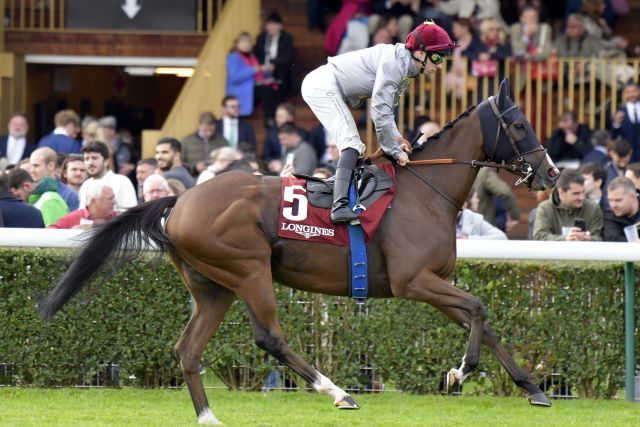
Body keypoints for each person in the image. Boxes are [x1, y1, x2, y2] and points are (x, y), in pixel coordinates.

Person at [302, 20, 458, 223]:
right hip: (322, 85)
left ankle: (346, 200)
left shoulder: (403, 64)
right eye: (437, 57)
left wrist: (395, 139)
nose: (439, 65)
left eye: (444, 58)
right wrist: (393, 149)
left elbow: (388, 111)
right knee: (352, 144)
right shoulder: (395, 64)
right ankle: (339, 207)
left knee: (355, 146)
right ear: (420, 52)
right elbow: (380, 111)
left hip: (327, 85)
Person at [533, 169, 603, 241]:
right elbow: (539, 236)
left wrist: (589, 239)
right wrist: (565, 239)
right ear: (561, 193)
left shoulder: (593, 209)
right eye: (576, 193)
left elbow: (600, 238)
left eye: (583, 192)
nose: (581, 197)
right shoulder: (545, 209)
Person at [254, 12, 297, 127]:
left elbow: (288, 56)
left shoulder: (287, 38)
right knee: (266, 92)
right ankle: (270, 119)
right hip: (263, 74)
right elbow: (256, 55)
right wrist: (263, 67)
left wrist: (274, 64)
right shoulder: (261, 38)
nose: (272, 27)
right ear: (266, 26)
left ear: (280, 26)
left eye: (275, 24)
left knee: (279, 81)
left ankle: (278, 119)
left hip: (281, 72)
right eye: (270, 24)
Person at [79, 141, 137, 212]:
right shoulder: (85, 185)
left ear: (106, 161)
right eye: (87, 159)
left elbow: (130, 215)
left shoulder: (122, 182)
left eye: (94, 158)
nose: (90, 163)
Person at [225, 32, 265, 118]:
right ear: (236, 43)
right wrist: (255, 69)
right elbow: (234, 77)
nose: (246, 44)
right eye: (243, 41)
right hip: (239, 95)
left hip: (250, 93)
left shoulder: (252, 57)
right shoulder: (233, 57)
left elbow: (258, 75)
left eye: (249, 41)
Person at [49, 180, 117, 229]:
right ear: (94, 201)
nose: (114, 202)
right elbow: (48, 233)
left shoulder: (118, 218)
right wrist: (70, 233)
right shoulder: (73, 218)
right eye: (110, 199)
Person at [263, 103, 310, 171]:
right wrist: (271, 163)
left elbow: (305, 157)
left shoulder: (302, 135)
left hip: (296, 171)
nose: (277, 119)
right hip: (274, 173)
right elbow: (266, 157)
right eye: (277, 116)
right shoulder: (271, 134)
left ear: (290, 118)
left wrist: (283, 165)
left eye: (281, 117)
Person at [29, 147, 79, 211]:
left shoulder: (69, 196)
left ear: (51, 165)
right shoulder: (27, 190)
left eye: (36, 166)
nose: (31, 170)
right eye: (31, 166)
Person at [604, 176, 640, 241]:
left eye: (618, 200)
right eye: (610, 200)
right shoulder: (609, 214)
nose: (613, 205)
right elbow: (612, 240)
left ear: (632, 196)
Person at [611, 82, 640, 163]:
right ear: (625, 94)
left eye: (634, 91)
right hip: (628, 155)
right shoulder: (620, 111)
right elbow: (614, 136)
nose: (632, 94)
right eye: (628, 92)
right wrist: (617, 123)